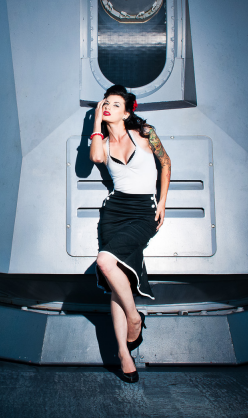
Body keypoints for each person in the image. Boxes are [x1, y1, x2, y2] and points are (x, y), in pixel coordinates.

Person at [89, 85, 171, 383]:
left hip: (142, 212)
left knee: (105, 262)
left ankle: (135, 318)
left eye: (115, 104)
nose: (108, 107)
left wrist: (161, 202)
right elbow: (97, 159)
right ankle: (125, 354)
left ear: (127, 111)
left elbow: (166, 163)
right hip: (113, 212)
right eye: (105, 103)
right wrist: (97, 122)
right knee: (114, 283)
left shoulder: (146, 133)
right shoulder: (99, 140)